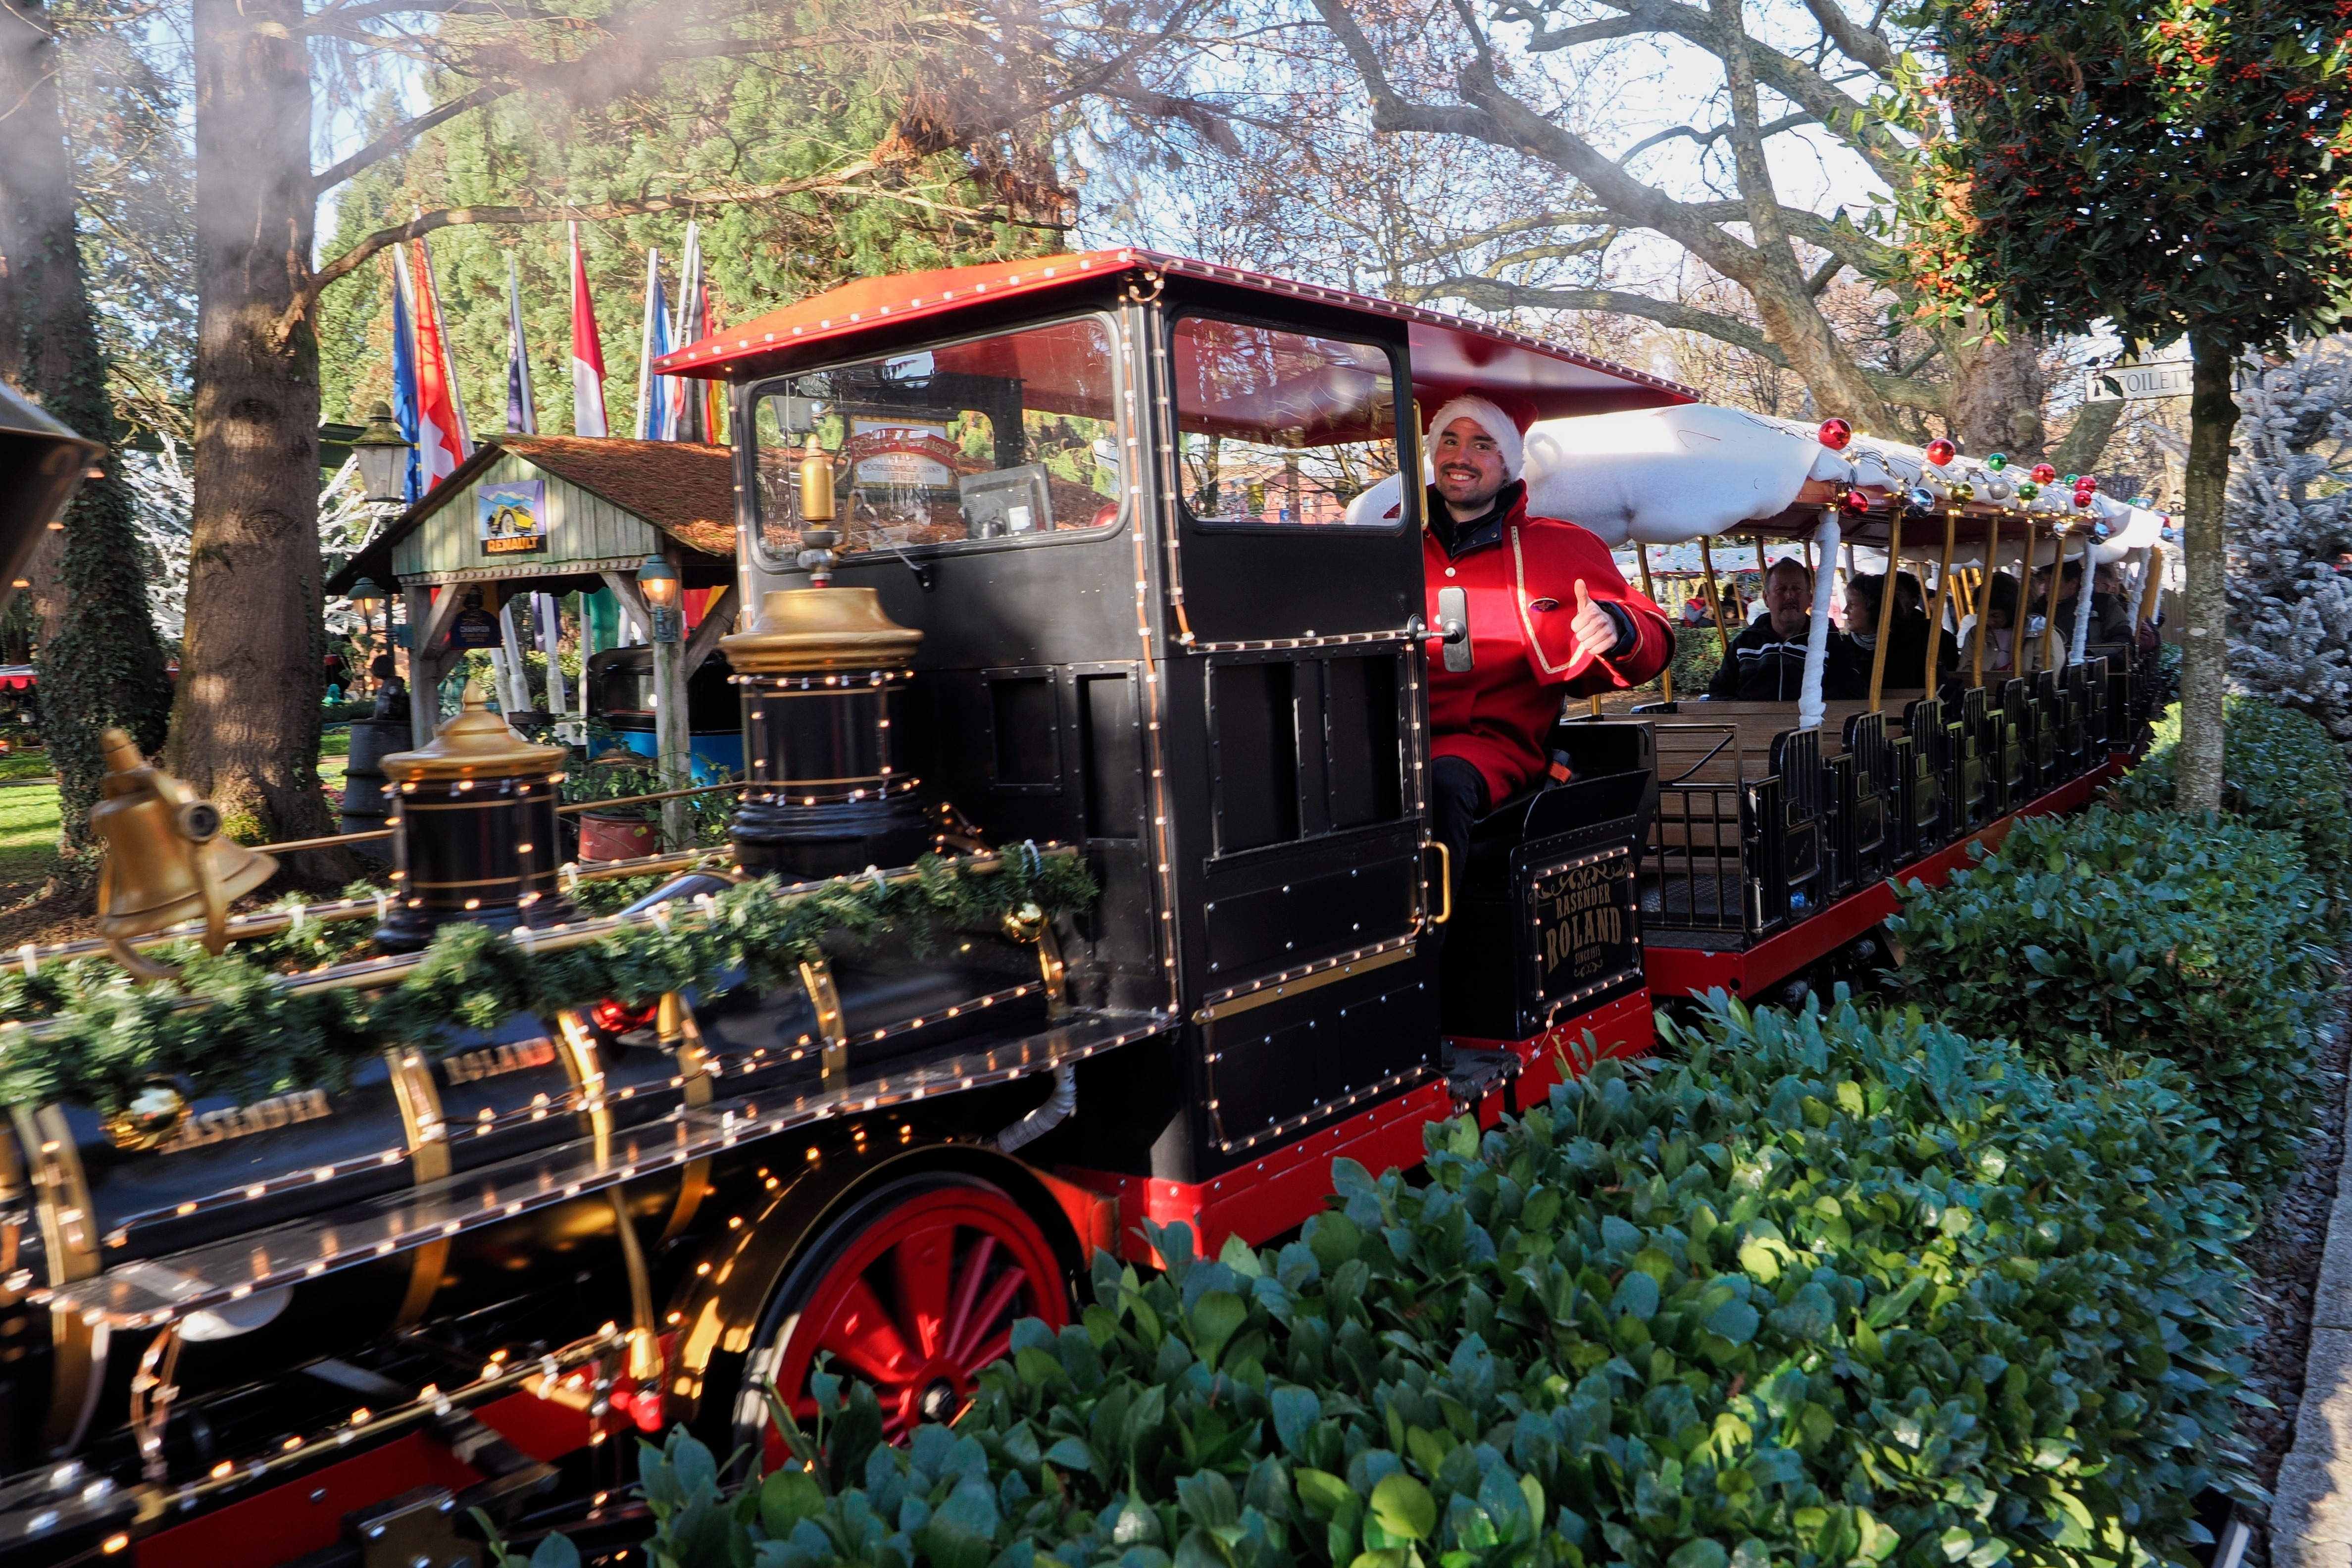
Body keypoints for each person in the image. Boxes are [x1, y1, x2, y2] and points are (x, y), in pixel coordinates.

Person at [1422, 393, 1673, 904]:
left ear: (1507, 461)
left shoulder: (1558, 545)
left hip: (1488, 747)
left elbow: (1653, 635)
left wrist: (1617, 629)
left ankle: (1420, 959)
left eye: (1481, 444)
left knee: (1439, 786)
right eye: (1449, 440)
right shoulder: (1390, 541)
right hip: (1384, 740)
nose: (1460, 456)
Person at [1705, 556, 1816, 700]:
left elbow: (1845, 694)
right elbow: (1719, 692)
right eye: (1781, 589)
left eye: (1797, 589)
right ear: (1766, 598)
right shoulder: (1744, 644)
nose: (1789, 596)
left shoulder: (1829, 642)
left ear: (1810, 598)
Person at [1826, 571, 1938, 697]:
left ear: (1875, 608)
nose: (1845, 611)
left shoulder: (1914, 646)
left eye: (1852, 604)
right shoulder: (1841, 648)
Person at [1965, 572, 2021, 676]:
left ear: (2011, 611)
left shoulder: (2036, 633)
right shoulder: (1976, 634)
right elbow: (1965, 672)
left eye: (1995, 616)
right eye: (1982, 615)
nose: (1989, 621)